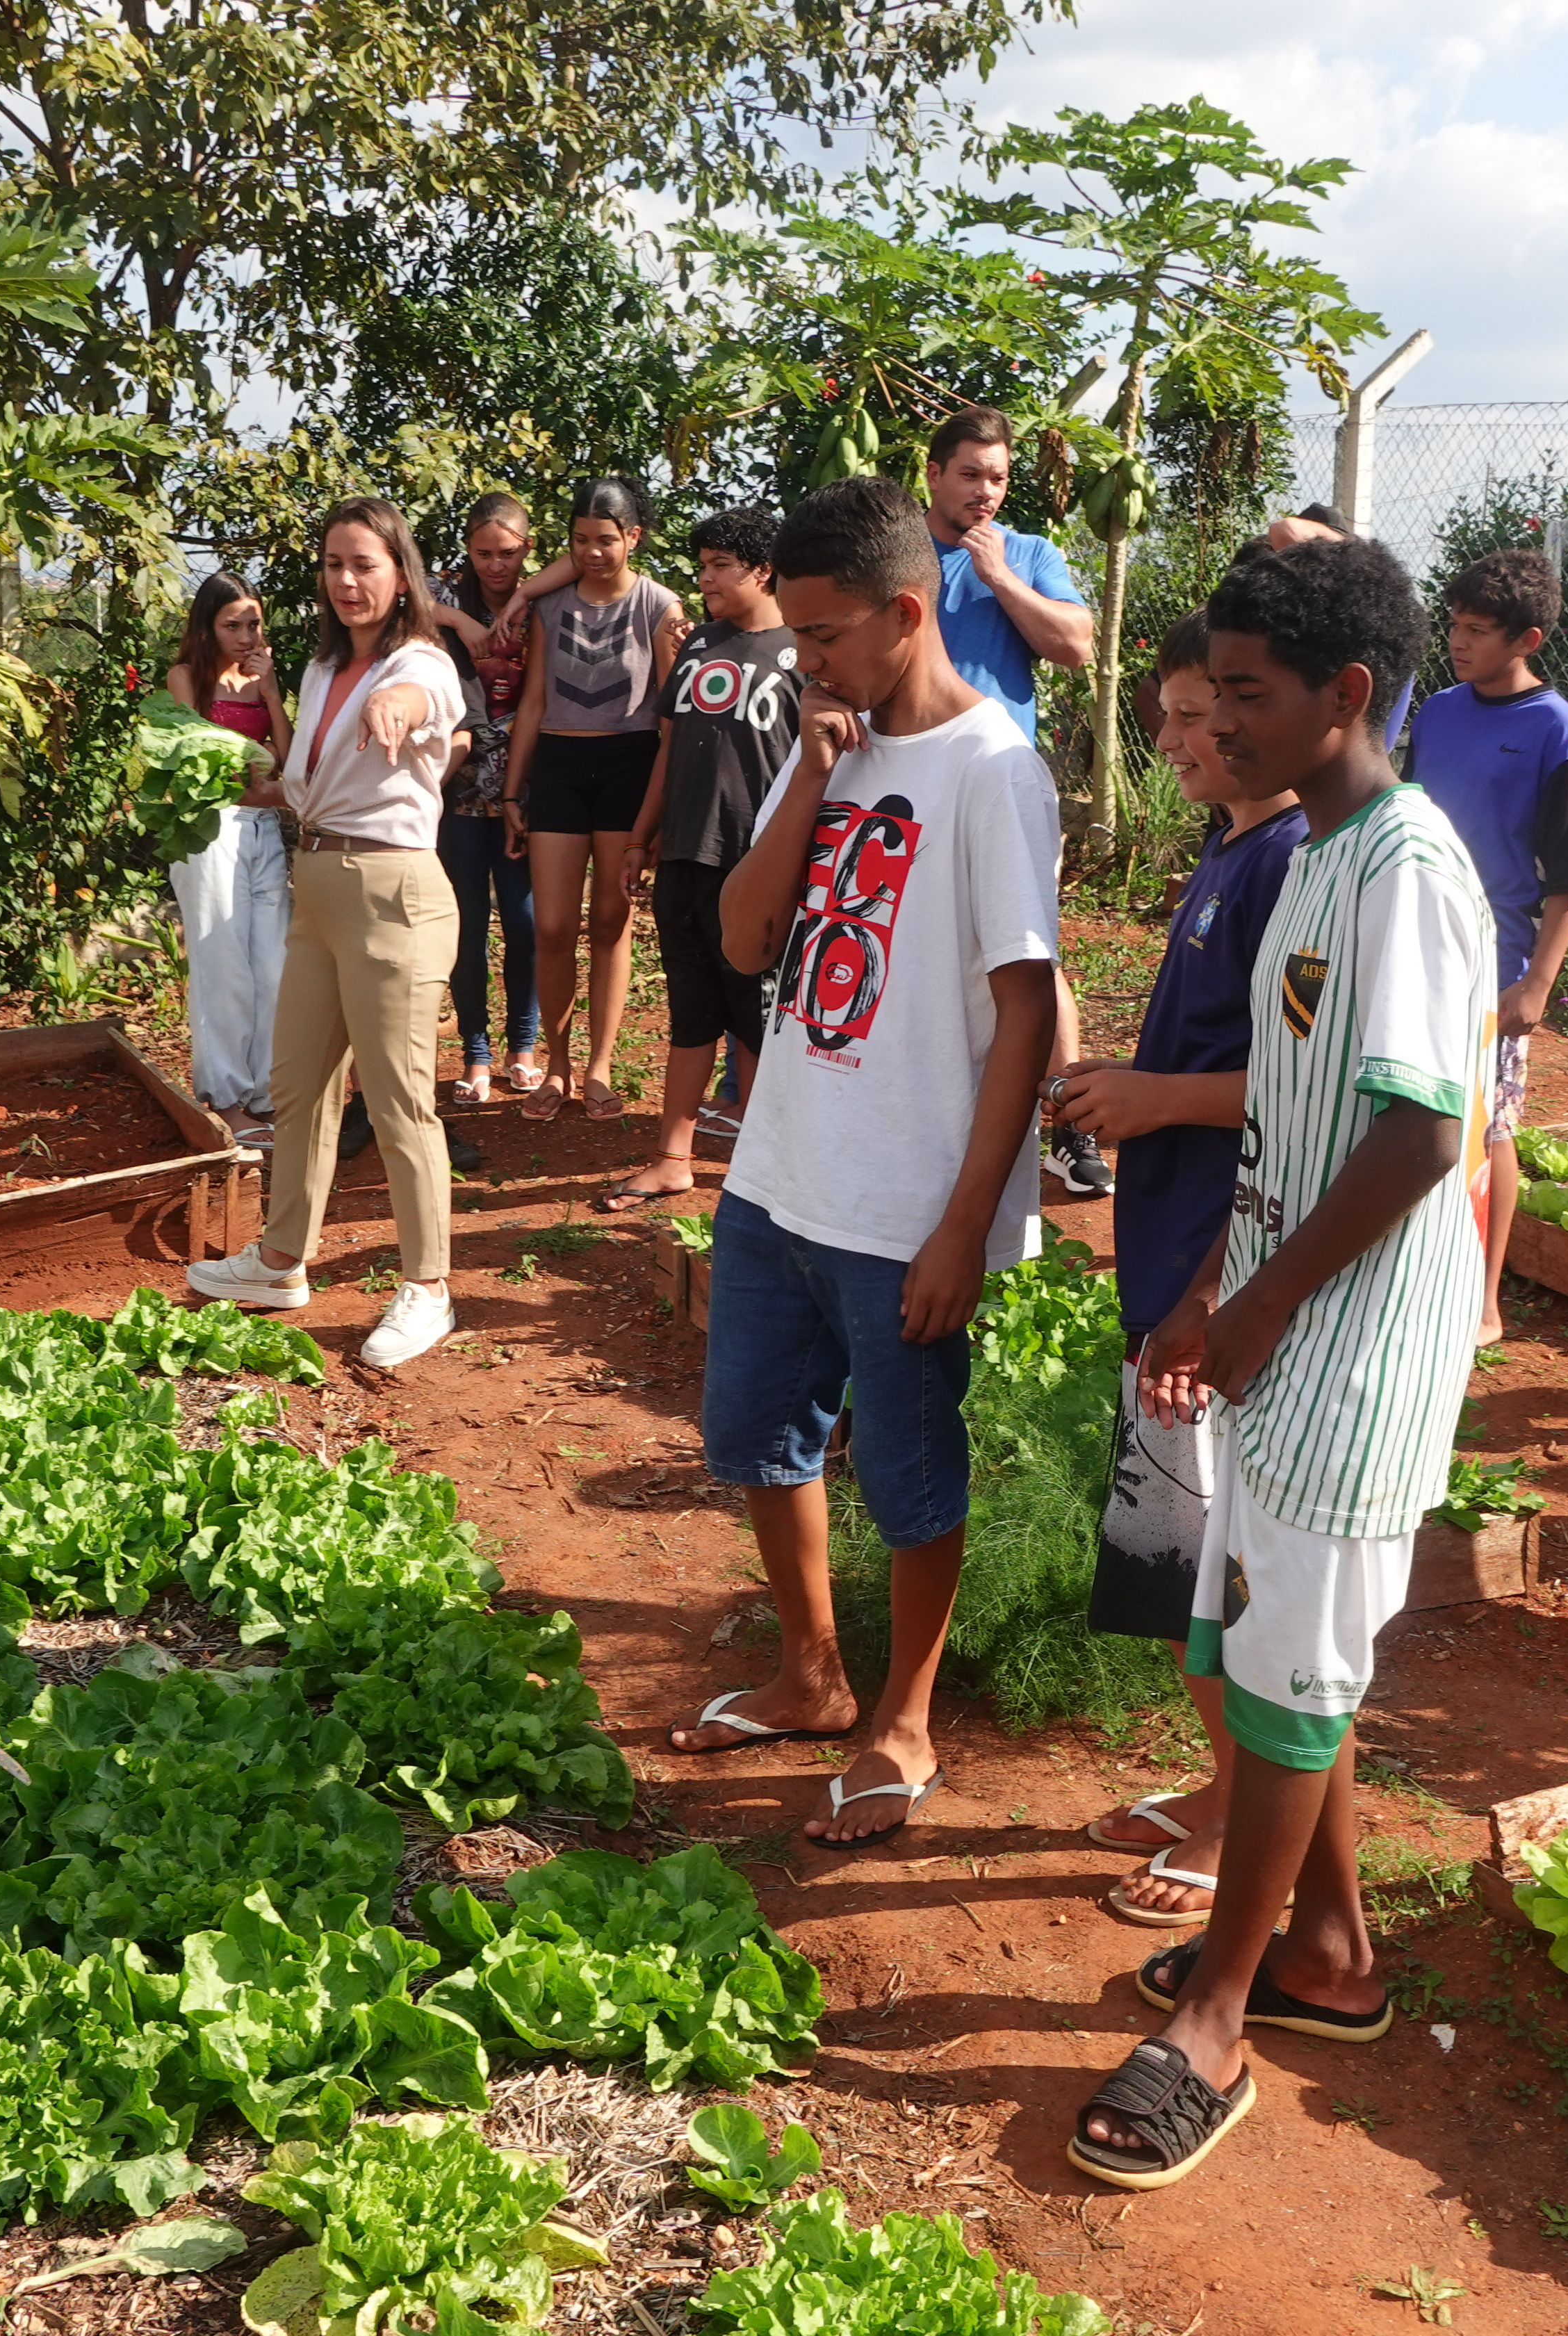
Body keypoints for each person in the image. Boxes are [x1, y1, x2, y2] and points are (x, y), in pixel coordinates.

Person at [1071, 536, 1493, 2192]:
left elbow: (1418, 1136)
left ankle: (1217, 2028)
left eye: (1244, 693)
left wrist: (1254, 1313)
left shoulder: (1405, 871)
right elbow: (1293, 1128)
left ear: (1347, 693)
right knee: (1280, 1655)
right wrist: (1206, 1291)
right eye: (1211, 691)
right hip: (1276, 1322)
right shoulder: (1310, 852)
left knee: (1291, 1674)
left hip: (1356, 1349)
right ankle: (1328, 1951)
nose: (1217, 720)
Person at [664, 475, 1059, 1851]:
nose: (808, 663)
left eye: (825, 637)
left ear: (905, 613)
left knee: (907, 1471)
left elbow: (1024, 1014)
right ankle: (813, 1673)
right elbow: (742, 938)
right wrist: (811, 773)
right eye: (797, 640)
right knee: (757, 1434)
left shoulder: (994, 771)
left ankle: (905, 1717)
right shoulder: (830, 747)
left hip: (904, 1203)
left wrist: (965, 1223)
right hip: (780, 1170)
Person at [1052, 611, 1306, 1926]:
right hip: (1169, 1256)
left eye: (1194, 714)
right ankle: (1223, 1785)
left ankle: (1244, 1810)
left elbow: (1303, 1087)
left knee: (1206, 1567)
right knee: (1173, 1562)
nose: (1169, 737)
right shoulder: (1228, 849)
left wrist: (1154, 1100)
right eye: (1165, 713)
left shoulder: (1289, 867)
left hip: (1220, 1264)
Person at [189, 497, 466, 1371]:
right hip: (315, 885)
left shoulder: (420, 662)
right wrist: (263, 788)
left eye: (366, 565)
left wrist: (397, 708)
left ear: (401, 575)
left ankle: (428, 1286)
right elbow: (315, 781)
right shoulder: (318, 668)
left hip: (392, 895)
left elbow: (420, 701)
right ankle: (280, 1260)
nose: (348, 581)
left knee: (399, 1098)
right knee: (299, 1085)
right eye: (334, 564)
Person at [1398, 547, 1568, 1346]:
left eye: (1478, 630)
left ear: (1527, 639)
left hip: (1497, 963)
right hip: (1418, 945)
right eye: (1454, 624)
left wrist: (1537, 984)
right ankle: (1417, 1275)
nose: (1458, 641)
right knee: (1411, 1109)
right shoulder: (1437, 711)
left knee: (1492, 1126)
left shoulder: (1554, 729)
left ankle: (1485, 1299)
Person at [920, 403, 1112, 1198]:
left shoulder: (1027, 553)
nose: (985, 491)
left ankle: (1069, 1128)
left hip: (1003, 784)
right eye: (970, 474)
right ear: (933, 474)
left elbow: (1075, 643)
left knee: (1029, 953)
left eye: (997, 478)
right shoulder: (898, 553)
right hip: (910, 785)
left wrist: (998, 576)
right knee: (917, 946)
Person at [605, 505, 800, 1211]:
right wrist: (640, 837)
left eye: (721, 566)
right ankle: (671, 1159)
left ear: (762, 570)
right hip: (685, 854)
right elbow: (670, 747)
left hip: (756, 864)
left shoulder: (802, 650)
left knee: (754, 1013)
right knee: (691, 1012)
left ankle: (763, 1165)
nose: (706, 578)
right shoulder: (697, 646)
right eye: (703, 565)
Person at [507, 475, 681, 1122]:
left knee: (612, 921)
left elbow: (672, 716)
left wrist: (660, 811)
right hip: (557, 764)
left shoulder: (660, 605)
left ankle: (600, 1066)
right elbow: (532, 702)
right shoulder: (549, 605)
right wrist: (512, 790)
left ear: (633, 536)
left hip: (629, 767)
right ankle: (556, 1066)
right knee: (552, 926)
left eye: (606, 539)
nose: (593, 552)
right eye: (580, 540)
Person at [163, 571, 295, 1147]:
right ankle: (226, 1099)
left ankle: (266, 1095)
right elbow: (199, 765)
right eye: (232, 625)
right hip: (210, 830)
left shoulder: (261, 680)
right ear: (207, 627)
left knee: (275, 965)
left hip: (264, 828)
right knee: (223, 965)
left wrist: (272, 695)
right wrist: (259, 766)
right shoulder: (186, 678)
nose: (246, 636)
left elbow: (287, 759)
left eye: (253, 624)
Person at [427, 492, 546, 1106]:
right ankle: (475, 1053)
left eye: (508, 553)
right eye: (483, 553)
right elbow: (397, 594)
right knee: (467, 926)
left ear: (528, 547)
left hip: (526, 792)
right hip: (460, 792)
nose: (496, 565)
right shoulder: (446, 594)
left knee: (526, 924)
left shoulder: (543, 602)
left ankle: (523, 1047)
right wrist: (460, 622)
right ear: (468, 551)